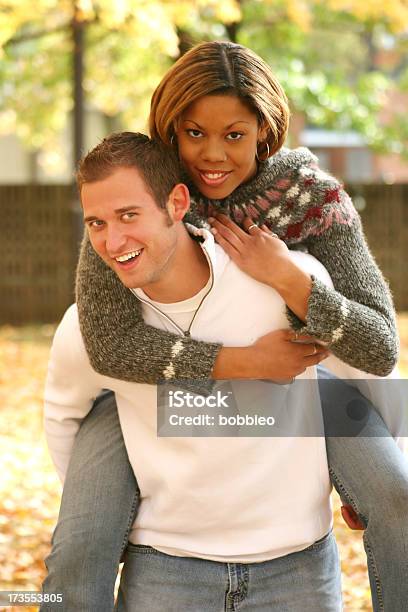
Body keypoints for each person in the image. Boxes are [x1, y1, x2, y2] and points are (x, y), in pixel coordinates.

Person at [42, 42, 408, 611]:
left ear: (264, 130)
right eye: (194, 133)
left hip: (306, 380)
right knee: (80, 542)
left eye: (234, 135)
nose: (212, 154)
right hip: (143, 385)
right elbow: (110, 344)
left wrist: (288, 278)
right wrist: (242, 363)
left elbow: (380, 347)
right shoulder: (141, 205)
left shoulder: (313, 202)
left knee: (398, 497)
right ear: (170, 131)